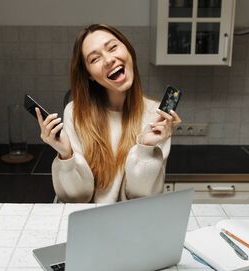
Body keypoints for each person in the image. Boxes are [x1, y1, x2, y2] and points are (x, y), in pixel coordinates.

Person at [35, 24, 182, 203]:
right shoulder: (74, 113)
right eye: (95, 59)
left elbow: (142, 198)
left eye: (112, 47)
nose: (108, 60)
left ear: (128, 50)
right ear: (89, 74)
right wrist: (66, 155)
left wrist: (146, 148)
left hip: (131, 222)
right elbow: (76, 198)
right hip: (87, 222)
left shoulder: (157, 116)